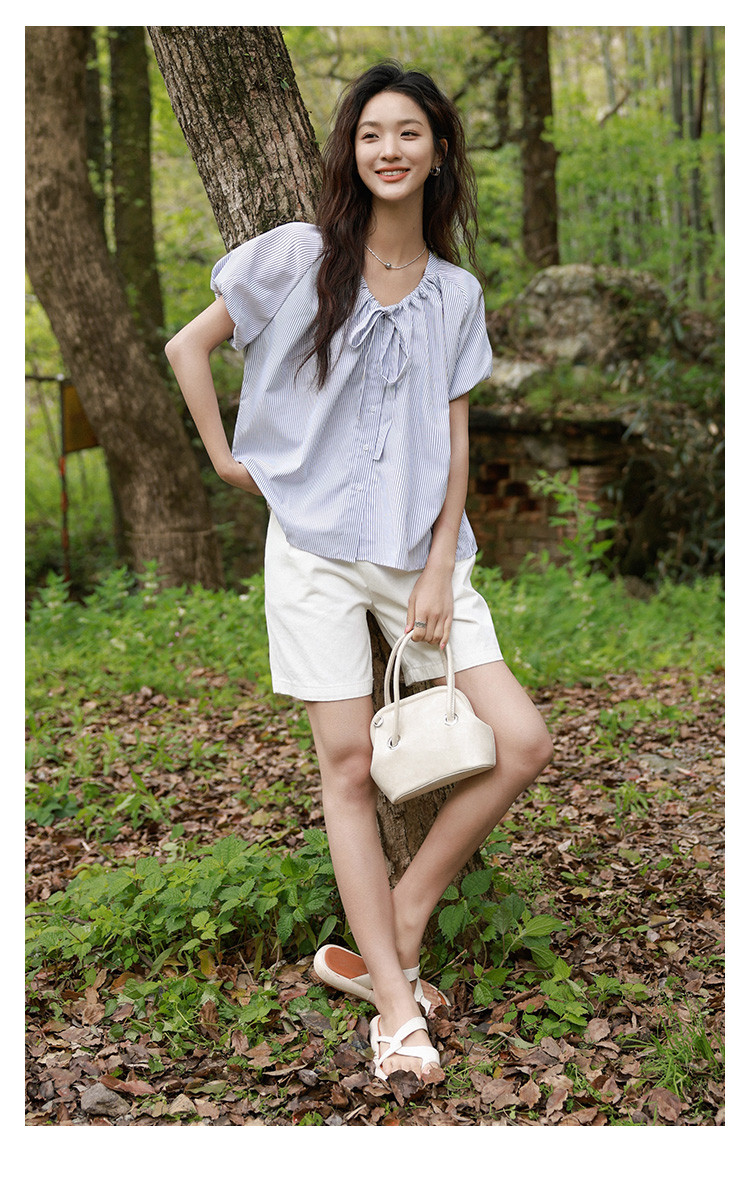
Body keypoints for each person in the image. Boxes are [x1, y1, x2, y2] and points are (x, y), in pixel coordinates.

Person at [165, 60, 553, 1083]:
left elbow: (456, 445)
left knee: (522, 740)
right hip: (311, 550)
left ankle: (406, 913)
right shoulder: (299, 256)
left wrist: (438, 563)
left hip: (419, 557)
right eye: (373, 132)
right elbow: (187, 347)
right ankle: (393, 1006)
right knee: (344, 766)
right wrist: (226, 458)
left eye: (409, 133)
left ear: (438, 152)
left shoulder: (457, 294)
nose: (390, 149)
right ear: (352, 149)